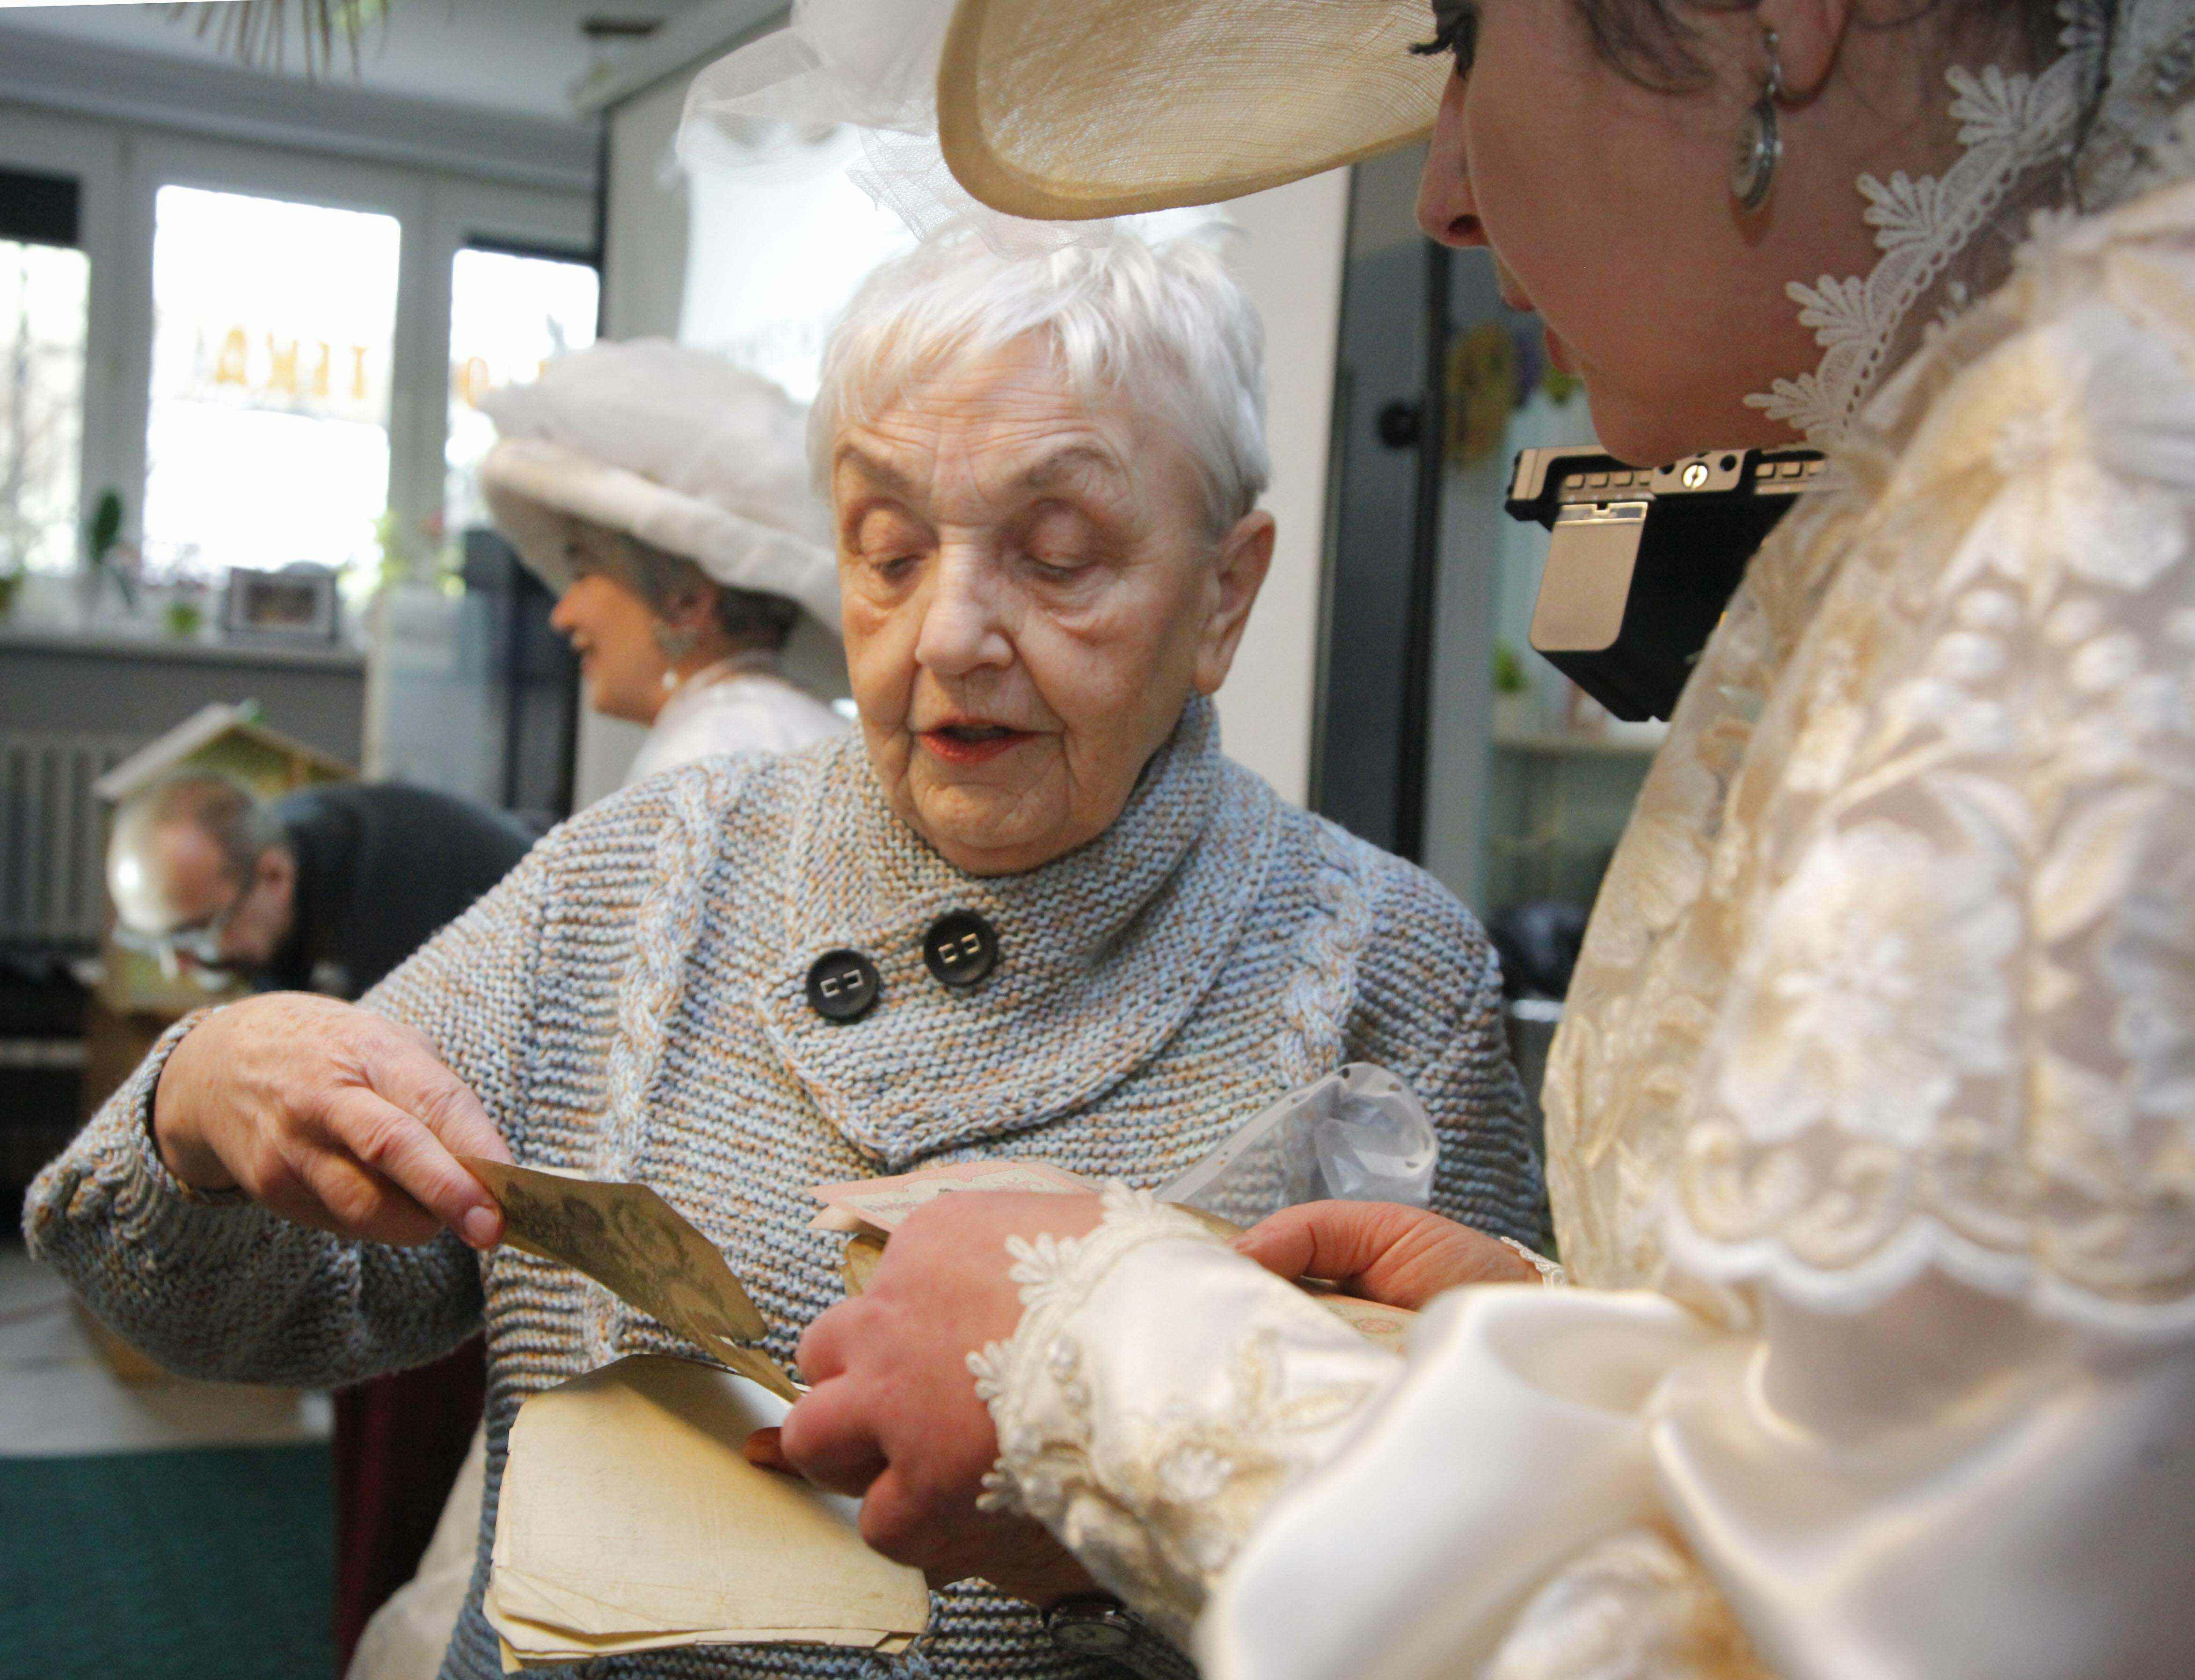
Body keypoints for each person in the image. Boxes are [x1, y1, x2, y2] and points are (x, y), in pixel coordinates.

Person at [717, 0, 2195, 1675]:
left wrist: (1095, 1357)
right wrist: (1525, 1329)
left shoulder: (2103, 515)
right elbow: (1925, 1438)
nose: (1441, 193)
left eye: (1461, 40)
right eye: (888, 547)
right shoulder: (2033, 458)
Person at [26, 225, 1548, 1680]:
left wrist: (1113, 1526)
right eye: (888, 552)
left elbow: (1486, 1582)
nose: (948, 634)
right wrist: (208, 1098)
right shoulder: (635, 883)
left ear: (1224, 593)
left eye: (1061, 554)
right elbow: (243, 1304)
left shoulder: (1384, 972)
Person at [480, 339, 847, 784]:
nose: (562, 614)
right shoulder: (785, 730)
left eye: (582, 573)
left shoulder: (705, 763)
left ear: (686, 603)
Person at [107, 772, 533, 999]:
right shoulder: (269, 866)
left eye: (199, 934)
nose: (174, 966)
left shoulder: (381, 912)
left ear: (274, 877)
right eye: (153, 943)